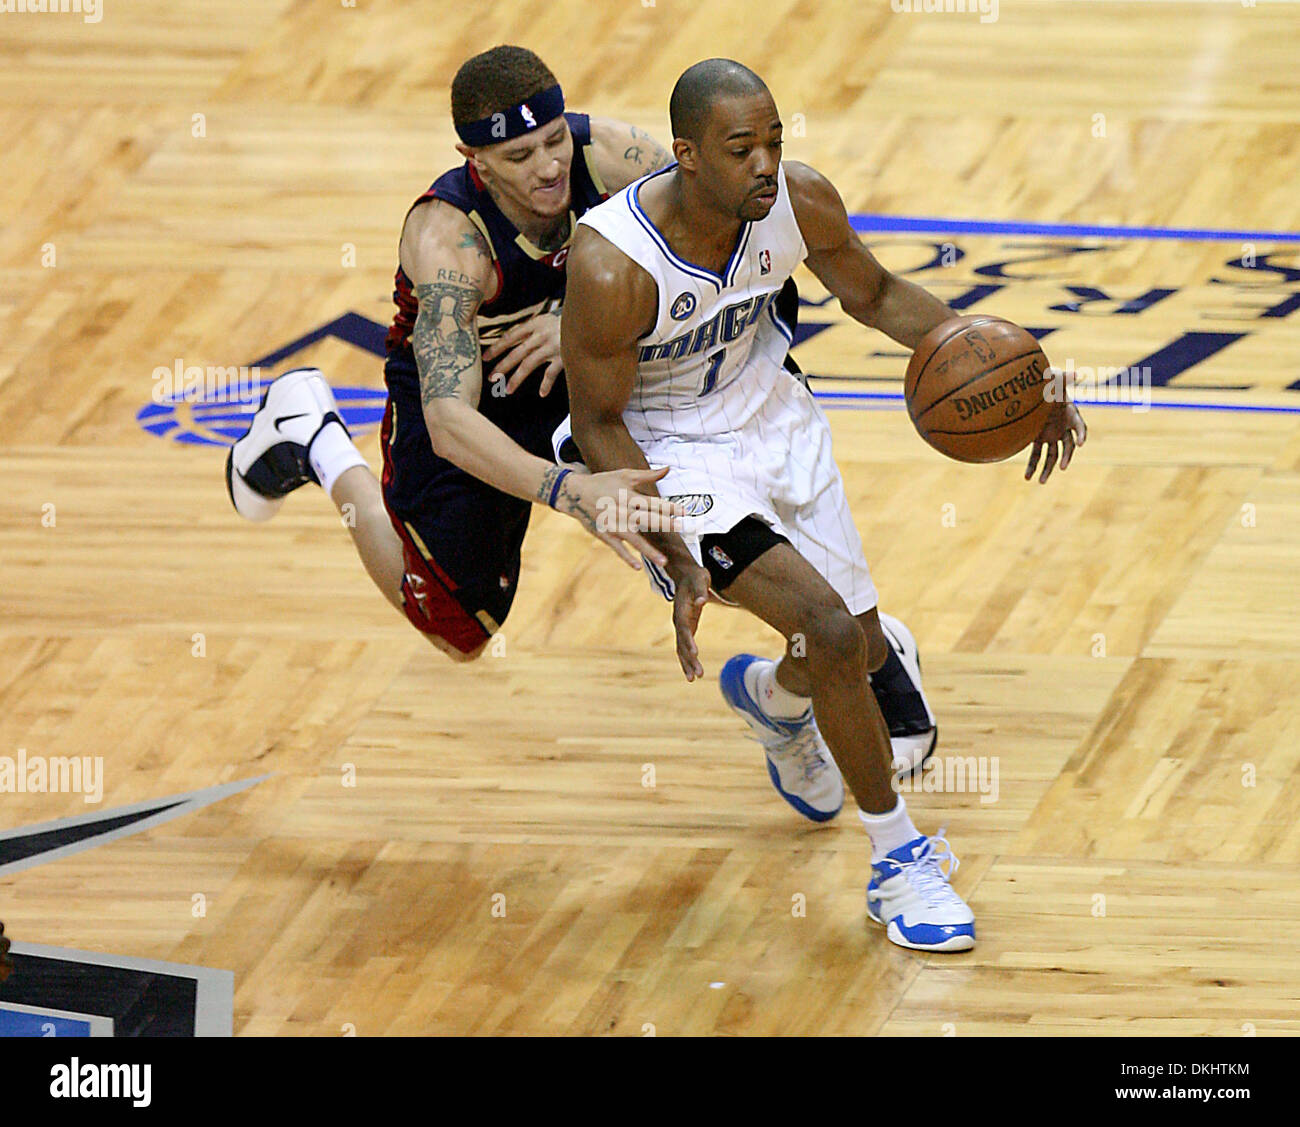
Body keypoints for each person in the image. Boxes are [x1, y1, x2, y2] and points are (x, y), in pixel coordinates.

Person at [560, 59, 1086, 952]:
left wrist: (1022, 375)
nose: (765, 163)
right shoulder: (614, 264)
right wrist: (673, 550)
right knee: (835, 633)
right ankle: (899, 862)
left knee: (857, 647)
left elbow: (875, 295)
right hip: (670, 450)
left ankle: (773, 698)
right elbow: (598, 421)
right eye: (740, 148)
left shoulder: (797, 202)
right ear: (686, 155)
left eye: (774, 140)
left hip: (776, 415)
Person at [226, 45, 683, 661]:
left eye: (554, 140)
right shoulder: (450, 240)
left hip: (576, 359)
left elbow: (707, 251)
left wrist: (577, 323)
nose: (548, 167)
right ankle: (318, 442)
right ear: (476, 161)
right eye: (519, 156)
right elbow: (449, 422)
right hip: (471, 395)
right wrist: (570, 492)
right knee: (460, 634)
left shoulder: (616, 158)